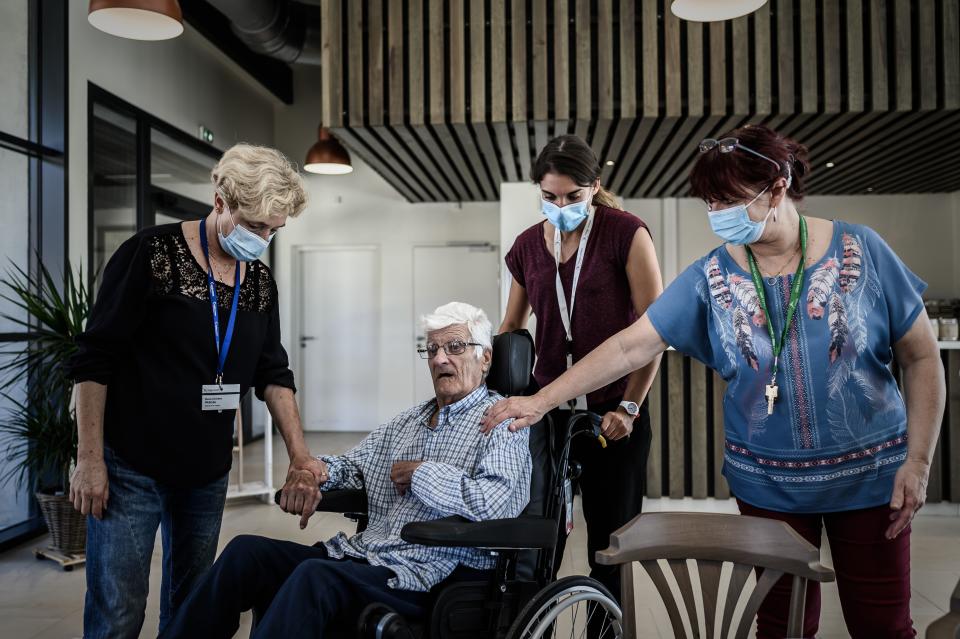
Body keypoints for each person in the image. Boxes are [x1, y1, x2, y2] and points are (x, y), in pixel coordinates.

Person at [483, 125, 945, 638]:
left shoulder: (863, 249)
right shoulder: (713, 275)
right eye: (709, 202)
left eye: (729, 200)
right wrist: (541, 400)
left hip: (871, 479)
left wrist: (919, 460)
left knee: (882, 624)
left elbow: (922, 357)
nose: (717, 214)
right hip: (769, 485)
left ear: (778, 187)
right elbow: (632, 344)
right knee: (779, 626)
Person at [68, 144, 327, 638]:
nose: (264, 239)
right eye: (255, 226)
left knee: (192, 609)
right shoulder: (151, 255)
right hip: (131, 466)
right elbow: (94, 360)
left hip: (205, 471)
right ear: (221, 201)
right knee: (118, 608)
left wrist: (300, 455)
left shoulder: (258, 283)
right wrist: (90, 459)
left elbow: (273, 372)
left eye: (275, 230)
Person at [159, 302, 532, 638]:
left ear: (485, 358)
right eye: (431, 349)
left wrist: (423, 474)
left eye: (454, 347)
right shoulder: (410, 420)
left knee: (314, 578)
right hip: (370, 555)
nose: (438, 360)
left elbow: (494, 504)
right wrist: (314, 472)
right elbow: (357, 465)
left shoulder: (502, 422)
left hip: (430, 572)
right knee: (246, 553)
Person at [495, 134, 662, 604]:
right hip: (549, 412)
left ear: (595, 186)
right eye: (549, 197)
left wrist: (630, 405)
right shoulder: (528, 245)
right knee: (541, 538)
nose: (561, 205)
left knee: (610, 546)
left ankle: (605, 629)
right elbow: (512, 326)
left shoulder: (626, 233)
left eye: (573, 196)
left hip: (615, 412)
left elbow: (654, 329)